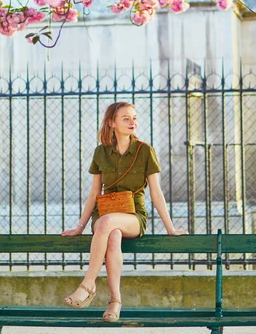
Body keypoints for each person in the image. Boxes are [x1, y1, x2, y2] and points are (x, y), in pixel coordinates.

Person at [62, 101, 188, 322]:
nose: (133, 122)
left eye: (135, 118)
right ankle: (115, 301)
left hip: (133, 216)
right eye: (126, 118)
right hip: (106, 215)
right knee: (112, 234)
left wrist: (171, 228)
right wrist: (79, 227)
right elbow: (93, 193)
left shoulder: (145, 151)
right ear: (111, 123)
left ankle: (88, 283)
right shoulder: (101, 153)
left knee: (106, 223)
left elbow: (156, 193)